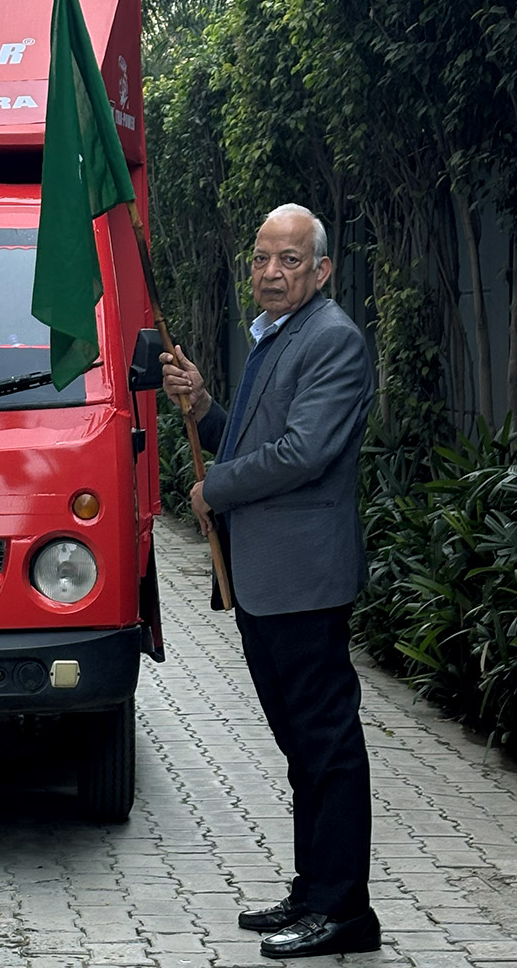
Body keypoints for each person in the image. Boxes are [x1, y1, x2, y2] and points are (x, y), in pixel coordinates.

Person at [161, 203, 379, 959]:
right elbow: (250, 441)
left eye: (289, 259)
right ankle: (313, 890)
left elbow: (303, 453)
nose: (271, 272)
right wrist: (204, 406)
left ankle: (345, 912)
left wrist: (214, 490)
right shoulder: (278, 336)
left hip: (304, 582)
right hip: (267, 581)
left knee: (328, 747)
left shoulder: (333, 340)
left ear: (322, 269)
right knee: (300, 748)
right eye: (261, 258)